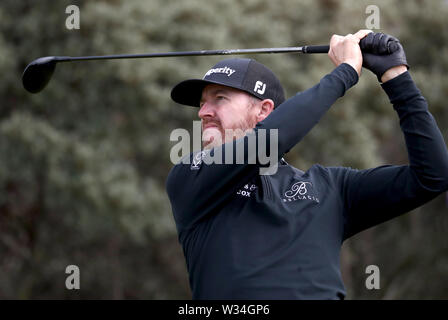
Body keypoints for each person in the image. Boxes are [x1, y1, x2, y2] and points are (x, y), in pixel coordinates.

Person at [166, 30, 448, 299]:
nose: (204, 112)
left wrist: (396, 77)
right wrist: (346, 71)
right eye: (202, 104)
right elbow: (270, 141)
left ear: (264, 110)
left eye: (220, 99)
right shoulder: (192, 175)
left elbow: (432, 176)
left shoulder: (332, 188)